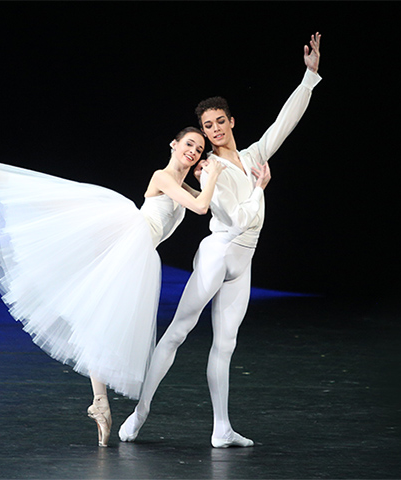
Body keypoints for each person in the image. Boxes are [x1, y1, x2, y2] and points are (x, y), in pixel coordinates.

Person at [0, 127, 226, 447]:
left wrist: (234, 178)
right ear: (174, 144)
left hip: (139, 251)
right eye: (189, 144)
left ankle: (100, 402)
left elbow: (210, 204)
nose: (193, 151)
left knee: (98, 320)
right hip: (128, 236)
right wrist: (212, 172)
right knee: (59, 202)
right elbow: (201, 206)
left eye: (199, 149)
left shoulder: (182, 186)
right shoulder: (163, 176)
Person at [119, 32, 322, 448]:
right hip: (217, 252)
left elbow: (284, 123)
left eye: (217, 123)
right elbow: (235, 215)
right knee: (178, 332)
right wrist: (261, 189)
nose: (212, 131)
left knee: (225, 345)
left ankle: (221, 428)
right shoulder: (207, 167)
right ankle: (140, 412)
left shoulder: (252, 158)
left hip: (243, 262)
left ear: (230, 122)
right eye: (206, 126)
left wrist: (309, 78)